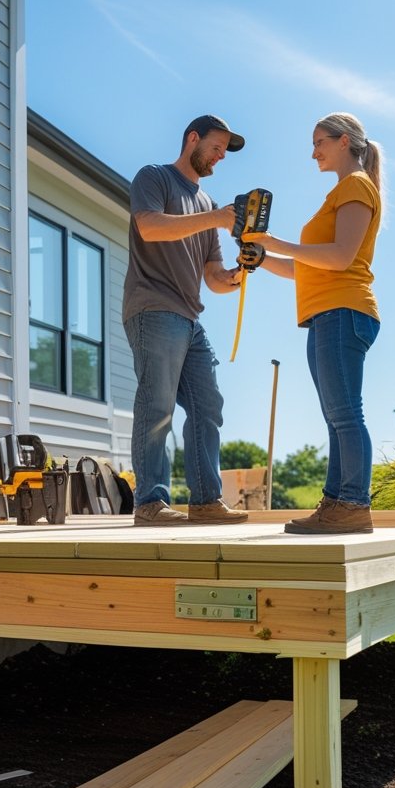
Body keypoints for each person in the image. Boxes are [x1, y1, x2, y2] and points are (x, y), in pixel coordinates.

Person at [241, 111, 382, 534]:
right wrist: (264, 258)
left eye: (319, 142)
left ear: (343, 141)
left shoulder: (357, 186)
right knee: (335, 415)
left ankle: (354, 504)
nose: (313, 151)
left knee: (345, 414)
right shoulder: (340, 192)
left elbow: (340, 257)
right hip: (324, 315)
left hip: (344, 310)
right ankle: (337, 503)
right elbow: (307, 266)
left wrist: (277, 241)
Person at [123, 114, 251, 526]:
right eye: (216, 147)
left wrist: (236, 275)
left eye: (223, 152)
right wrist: (216, 218)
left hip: (190, 317)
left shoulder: (209, 205)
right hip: (153, 308)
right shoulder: (154, 178)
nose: (219, 157)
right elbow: (150, 228)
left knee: (208, 404)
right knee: (157, 406)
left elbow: (213, 277)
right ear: (192, 139)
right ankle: (150, 502)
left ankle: (206, 501)